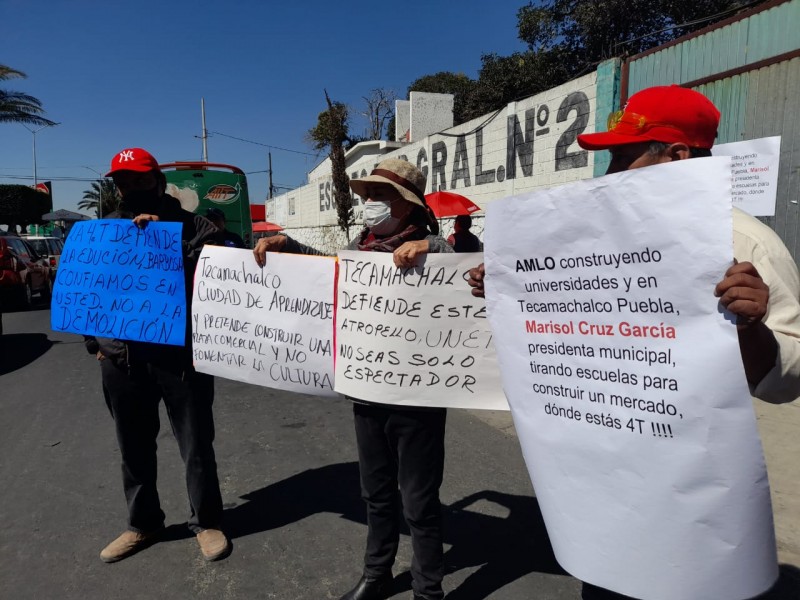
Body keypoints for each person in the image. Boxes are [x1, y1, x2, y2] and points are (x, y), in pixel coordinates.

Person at [469, 85, 800, 598]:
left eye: (622, 157)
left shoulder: (744, 241)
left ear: (677, 155)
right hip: (603, 488)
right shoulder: (595, 239)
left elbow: (788, 380)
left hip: (692, 498)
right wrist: (507, 289)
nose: (609, 174)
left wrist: (750, 326)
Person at [254, 158, 453, 600]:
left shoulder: (438, 249)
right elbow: (331, 270)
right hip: (366, 392)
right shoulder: (359, 246)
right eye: (366, 196)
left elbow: (477, 277)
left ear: (406, 205)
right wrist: (289, 247)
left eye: (379, 197)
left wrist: (429, 251)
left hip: (418, 400)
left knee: (419, 503)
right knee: (376, 493)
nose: (369, 204)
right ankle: (376, 575)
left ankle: (428, 590)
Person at [84, 148, 230, 563]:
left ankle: (207, 521)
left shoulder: (196, 226)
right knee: (133, 447)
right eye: (123, 182)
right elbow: (87, 288)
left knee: (196, 444)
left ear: (159, 182)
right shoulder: (105, 231)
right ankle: (143, 524)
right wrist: (95, 344)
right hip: (121, 360)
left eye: (140, 181)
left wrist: (158, 244)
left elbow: (213, 286)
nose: (131, 188)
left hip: (181, 359)